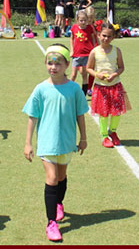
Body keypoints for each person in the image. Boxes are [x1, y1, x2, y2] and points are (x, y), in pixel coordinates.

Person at [23, 44, 89, 241]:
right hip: (47, 142)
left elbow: (80, 115)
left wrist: (83, 138)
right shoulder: (40, 89)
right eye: (50, 63)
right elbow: (32, 117)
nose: (53, 67)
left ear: (67, 64)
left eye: (58, 63)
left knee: (61, 177)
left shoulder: (74, 89)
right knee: (51, 178)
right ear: (46, 64)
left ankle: (58, 203)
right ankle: (51, 223)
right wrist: (28, 143)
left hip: (67, 141)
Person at [86, 22, 126, 148]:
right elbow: (89, 68)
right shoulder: (94, 52)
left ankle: (113, 131)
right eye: (103, 35)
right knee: (103, 113)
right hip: (101, 87)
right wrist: (97, 75)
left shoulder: (116, 51)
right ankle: (104, 135)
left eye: (109, 36)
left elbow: (121, 67)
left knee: (116, 111)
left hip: (115, 85)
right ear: (98, 35)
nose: (106, 38)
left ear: (113, 37)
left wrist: (115, 74)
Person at [70, 10, 96, 95]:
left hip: (87, 55)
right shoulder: (74, 27)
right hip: (76, 55)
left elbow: (93, 38)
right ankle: (67, 90)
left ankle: (83, 94)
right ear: (77, 20)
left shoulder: (90, 28)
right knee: (73, 75)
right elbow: (71, 39)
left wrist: (93, 49)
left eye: (85, 20)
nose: (83, 22)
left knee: (84, 75)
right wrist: (72, 50)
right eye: (81, 20)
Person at [85, 6, 98, 96]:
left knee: (92, 70)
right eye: (88, 17)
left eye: (91, 18)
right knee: (83, 71)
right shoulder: (82, 26)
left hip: (92, 50)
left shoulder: (93, 26)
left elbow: (95, 37)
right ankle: (84, 87)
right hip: (84, 51)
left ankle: (89, 88)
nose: (89, 20)